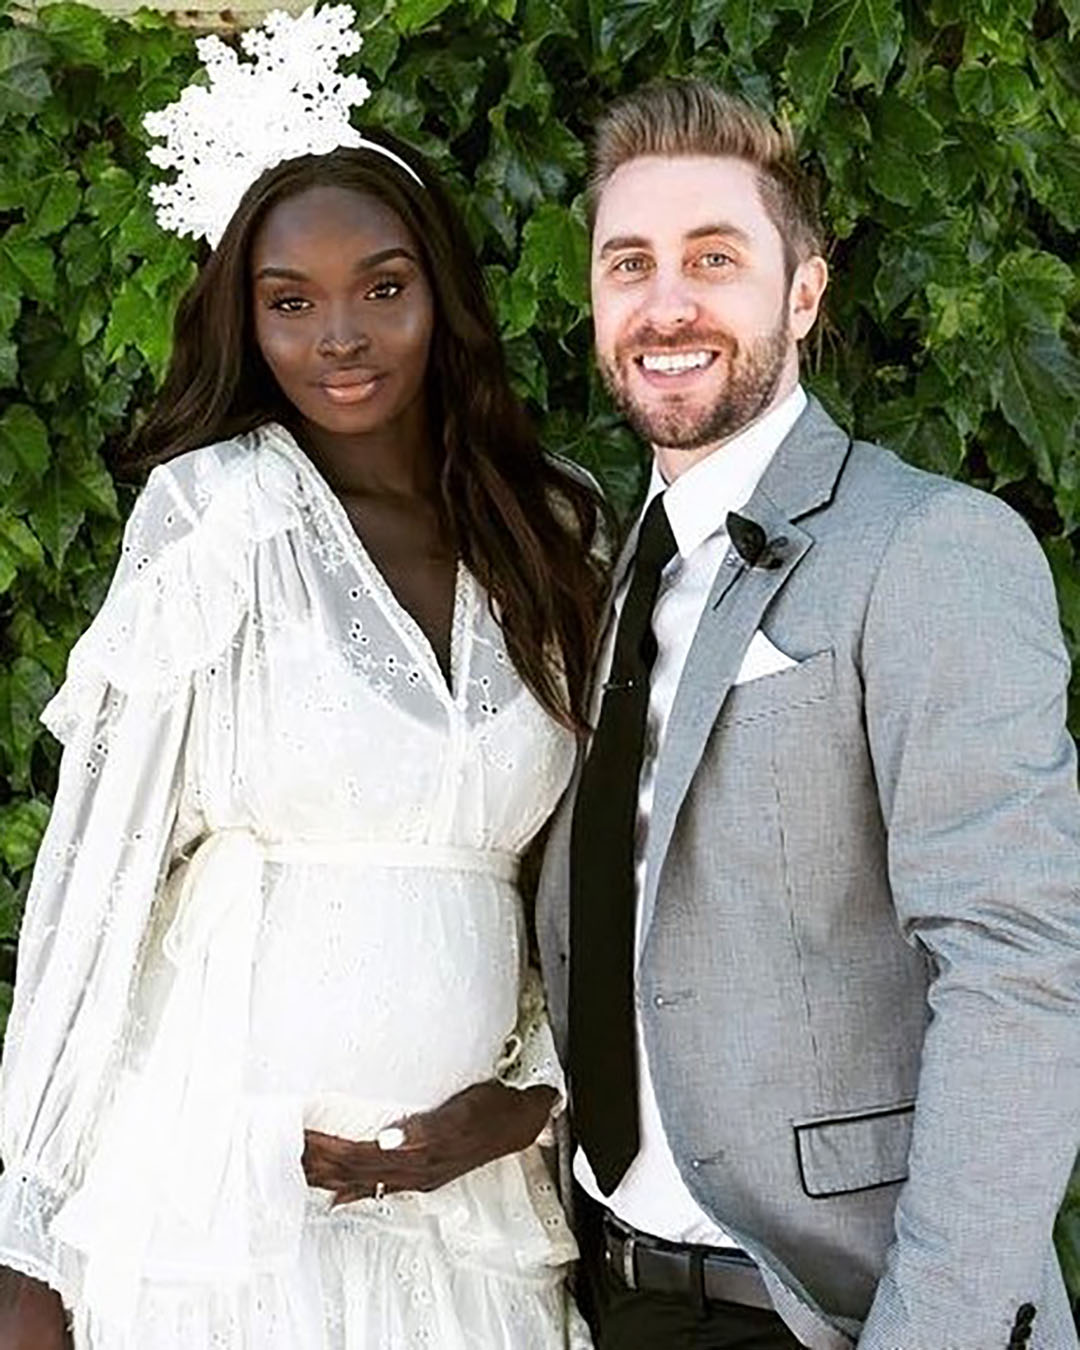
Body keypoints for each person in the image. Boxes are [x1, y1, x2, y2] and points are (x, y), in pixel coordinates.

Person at [0, 15, 608, 1345]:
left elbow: (593, 873)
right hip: (223, 1212)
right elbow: (97, 875)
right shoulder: (216, 518)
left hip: (468, 1219)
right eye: (291, 302)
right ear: (247, 316)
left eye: (382, 288)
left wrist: (528, 1097)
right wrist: (24, 1234)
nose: (341, 335)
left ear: (443, 294)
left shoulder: (556, 530)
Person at [536, 78, 1080, 1350]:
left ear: (803, 294)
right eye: (630, 264)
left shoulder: (929, 547)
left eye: (714, 258)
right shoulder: (602, 569)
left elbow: (1019, 970)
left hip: (828, 1311)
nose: (667, 303)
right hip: (606, 1290)